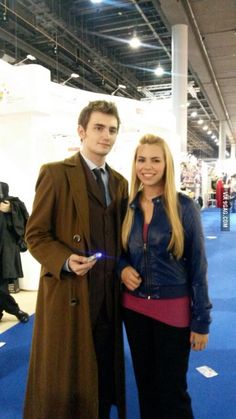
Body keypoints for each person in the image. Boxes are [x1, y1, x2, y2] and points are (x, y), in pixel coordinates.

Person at [23, 100, 128, 419]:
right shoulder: (56, 174)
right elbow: (35, 235)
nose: (106, 136)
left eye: (112, 130)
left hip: (109, 299)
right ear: (81, 131)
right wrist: (66, 260)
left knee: (102, 375)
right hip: (71, 293)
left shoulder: (119, 182)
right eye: (98, 128)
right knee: (67, 381)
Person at [118, 134, 212, 419]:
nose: (147, 166)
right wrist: (122, 268)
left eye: (155, 160)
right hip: (134, 310)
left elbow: (198, 266)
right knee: (146, 389)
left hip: (173, 311)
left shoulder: (184, 207)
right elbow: (117, 251)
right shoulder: (127, 206)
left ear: (166, 164)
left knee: (172, 393)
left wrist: (202, 321)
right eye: (141, 159)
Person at [0, 181, 29, 323]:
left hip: (7, 249)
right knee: (1, 286)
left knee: (2, 283)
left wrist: (11, 209)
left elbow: (26, 220)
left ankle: (15, 310)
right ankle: (14, 309)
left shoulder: (13, 203)